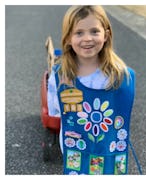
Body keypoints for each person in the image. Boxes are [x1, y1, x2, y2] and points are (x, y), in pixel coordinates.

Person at [47, 5, 135, 174]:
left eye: (94, 31)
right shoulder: (60, 78)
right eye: (79, 33)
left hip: (107, 152)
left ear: (106, 35)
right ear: (67, 38)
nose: (87, 38)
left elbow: (56, 111)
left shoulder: (122, 75)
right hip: (77, 154)